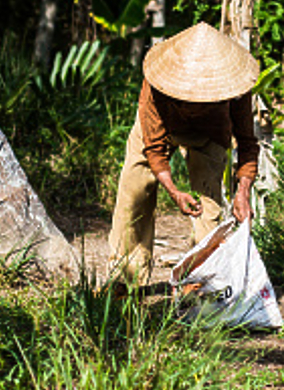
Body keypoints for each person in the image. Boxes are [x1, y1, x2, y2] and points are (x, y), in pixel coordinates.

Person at [108, 22, 260, 287]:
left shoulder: (234, 87)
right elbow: (154, 148)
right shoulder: (156, 81)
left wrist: (243, 191)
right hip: (157, 129)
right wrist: (174, 191)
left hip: (210, 136)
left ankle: (200, 279)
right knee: (133, 193)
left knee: (208, 208)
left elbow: (247, 142)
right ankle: (125, 279)